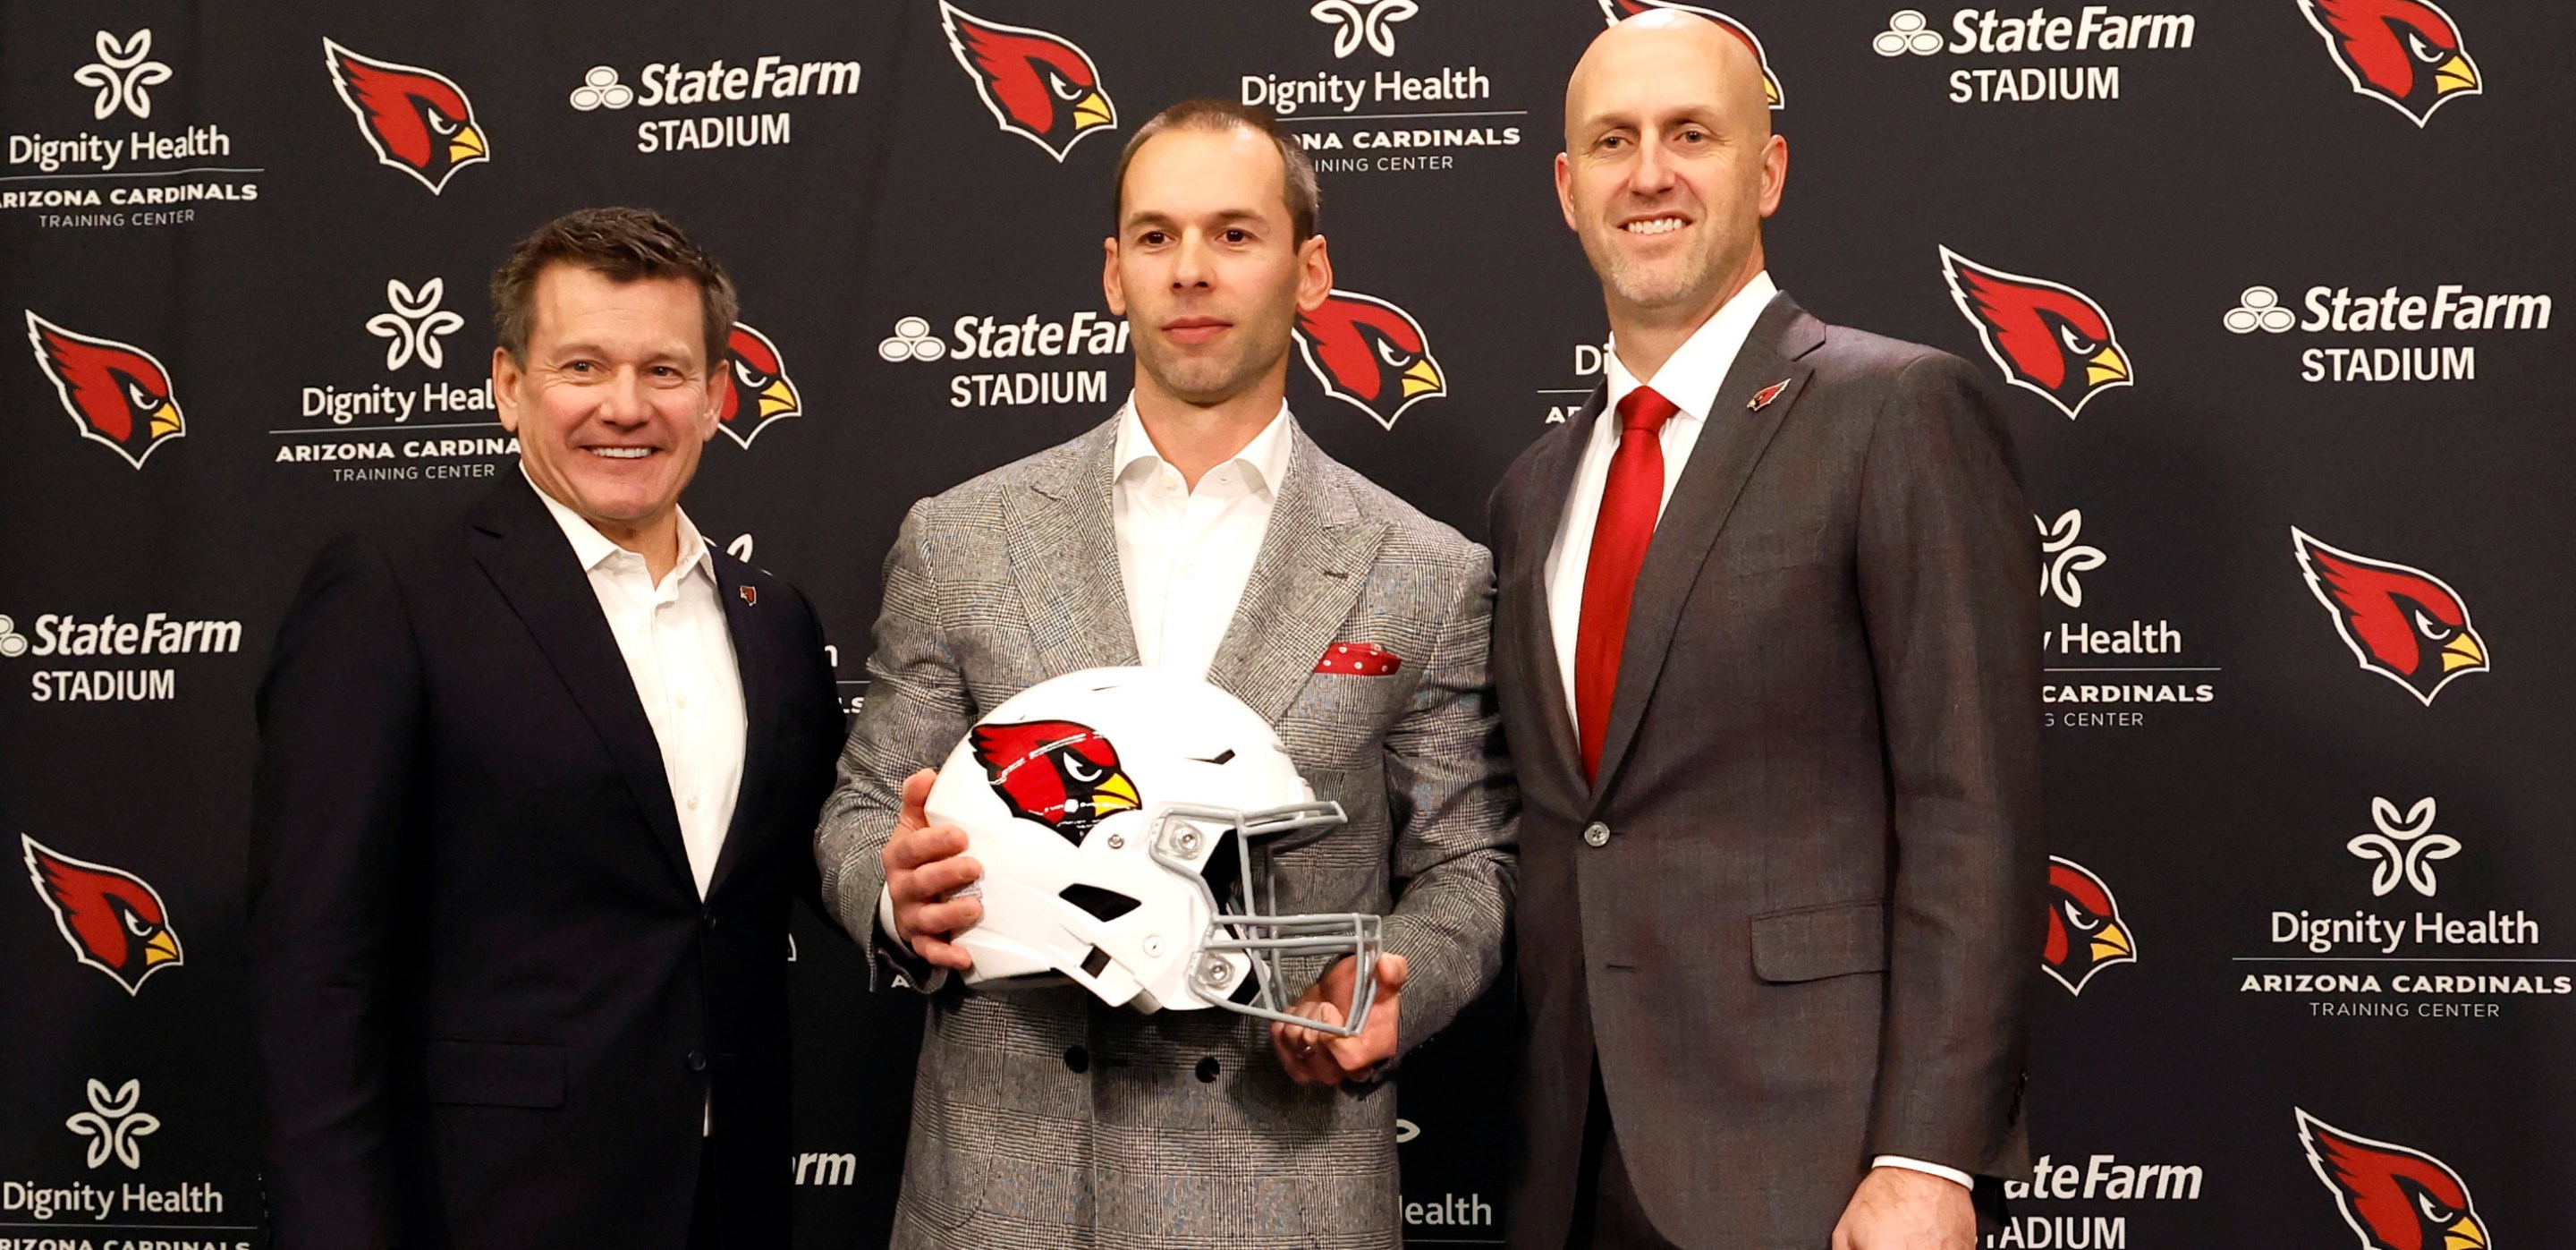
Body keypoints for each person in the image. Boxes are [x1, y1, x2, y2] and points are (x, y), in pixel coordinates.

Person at [815, 98, 1515, 1249]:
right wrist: (897, 894)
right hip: (1010, 1189)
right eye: (1156, 236)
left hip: (1280, 1185)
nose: (1191, 270)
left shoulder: (1425, 572)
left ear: (1310, 270)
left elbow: (1470, 864)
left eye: (1235, 234)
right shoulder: (962, 538)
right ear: (1113, 272)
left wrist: (1395, 977)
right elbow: (859, 809)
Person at [1487, 13, 2044, 1250]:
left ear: (1768, 171)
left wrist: (1928, 1158)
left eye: (1692, 134)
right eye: (1614, 141)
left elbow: (1974, 811)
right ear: (1569, 190)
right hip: (1569, 1159)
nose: (1651, 173)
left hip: (1824, 1166)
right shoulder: (1532, 487)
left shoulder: (1896, 408)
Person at [248, 207, 846, 1248]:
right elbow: (315, 960)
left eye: (664, 371)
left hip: (731, 1196)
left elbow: (810, 863)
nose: (626, 407)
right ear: (509, 387)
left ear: (715, 397)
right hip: (489, 1205)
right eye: (582, 366)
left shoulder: (774, 617)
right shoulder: (395, 592)